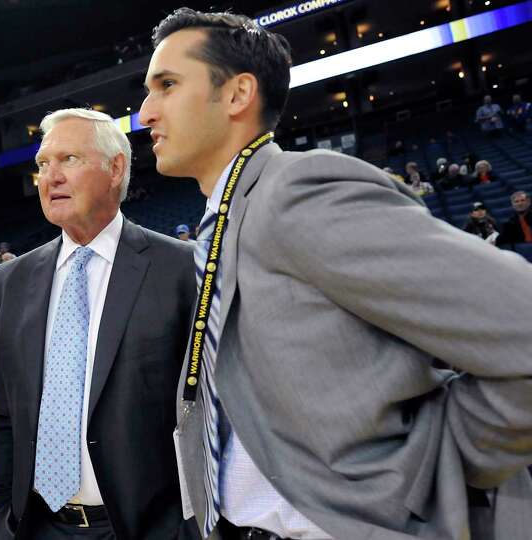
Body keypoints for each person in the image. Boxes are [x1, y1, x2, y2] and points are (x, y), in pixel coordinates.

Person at [140, 9, 532, 540]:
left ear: (237, 95)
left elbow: (522, 325)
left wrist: (430, 468)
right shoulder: (225, 220)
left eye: (166, 85)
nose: (145, 113)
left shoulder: (298, 191)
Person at [0, 107, 198, 540]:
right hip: (37, 527)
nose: (51, 177)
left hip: (147, 529)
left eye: (69, 160)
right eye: (43, 165)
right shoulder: (9, 282)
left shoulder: (182, 268)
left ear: (115, 168)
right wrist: (4, 518)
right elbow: (5, 416)